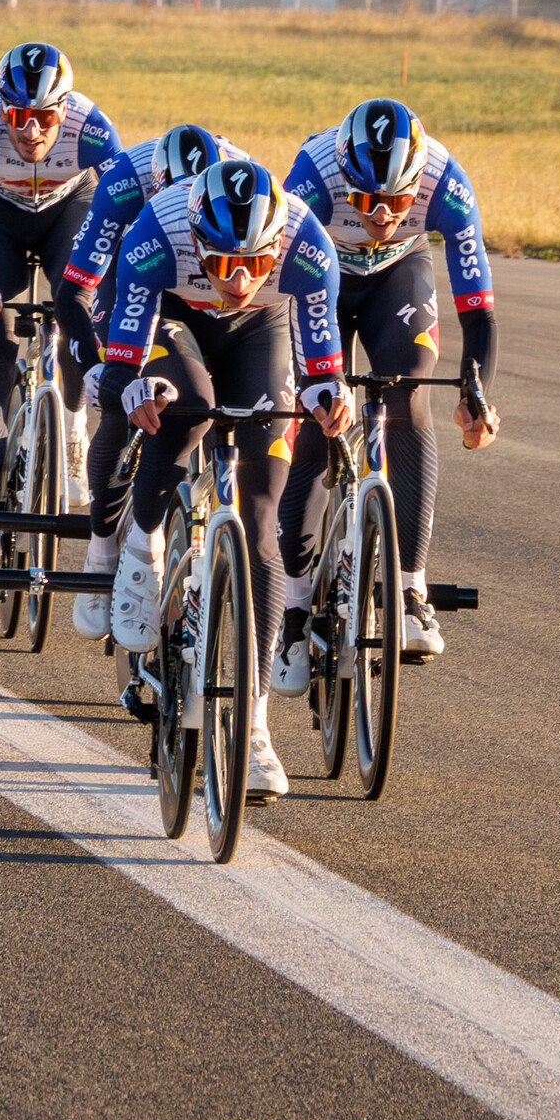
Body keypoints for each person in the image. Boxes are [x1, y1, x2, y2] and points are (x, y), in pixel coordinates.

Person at [103, 155, 345, 803]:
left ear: (276, 246)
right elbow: (120, 358)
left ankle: (255, 726)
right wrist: (134, 387)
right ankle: (142, 549)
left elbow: (322, 362)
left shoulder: (307, 244)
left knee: (261, 519)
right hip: (174, 321)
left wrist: (329, 396)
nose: (239, 279)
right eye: (223, 262)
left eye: (256, 263)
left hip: (261, 332)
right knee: (183, 409)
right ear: (196, 239)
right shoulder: (156, 233)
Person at [273, 94, 499, 678]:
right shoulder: (313, 176)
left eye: (397, 201)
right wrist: (316, 381)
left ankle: (410, 591)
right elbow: (280, 280)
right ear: (345, 177)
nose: (380, 215)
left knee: (409, 396)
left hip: (396, 275)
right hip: (317, 279)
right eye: (366, 199)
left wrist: (475, 394)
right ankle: (294, 610)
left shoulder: (447, 182)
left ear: (417, 184)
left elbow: (477, 308)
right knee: (315, 421)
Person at [0, 41, 120, 591]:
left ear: (64, 110)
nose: (32, 131)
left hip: (70, 211)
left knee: (76, 305)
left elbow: (126, 216)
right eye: (18, 117)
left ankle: (74, 428)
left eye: (45, 118)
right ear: (2, 110)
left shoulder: (92, 128)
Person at [58, 121, 233, 636]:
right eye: (169, 199)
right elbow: (74, 291)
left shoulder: (240, 180)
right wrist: (98, 368)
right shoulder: (123, 183)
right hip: (139, 279)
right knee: (123, 402)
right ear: (155, 188)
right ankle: (102, 547)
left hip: (222, 281)